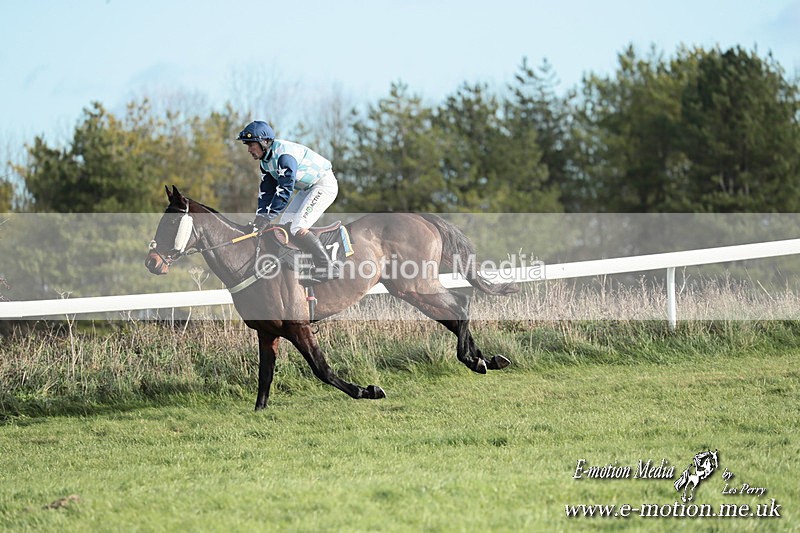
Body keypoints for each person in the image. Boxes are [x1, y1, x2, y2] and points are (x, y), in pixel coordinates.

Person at [236, 120, 340, 280]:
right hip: (308, 188)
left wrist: (269, 217)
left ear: (264, 142)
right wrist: (260, 217)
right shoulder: (265, 162)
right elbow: (266, 192)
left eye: (251, 145)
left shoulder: (284, 157)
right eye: (247, 146)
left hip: (323, 185)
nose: (249, 149)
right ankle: (301, 266)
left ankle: (327, 267)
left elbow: (285, 190)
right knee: (284, 227)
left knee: (297, 227)